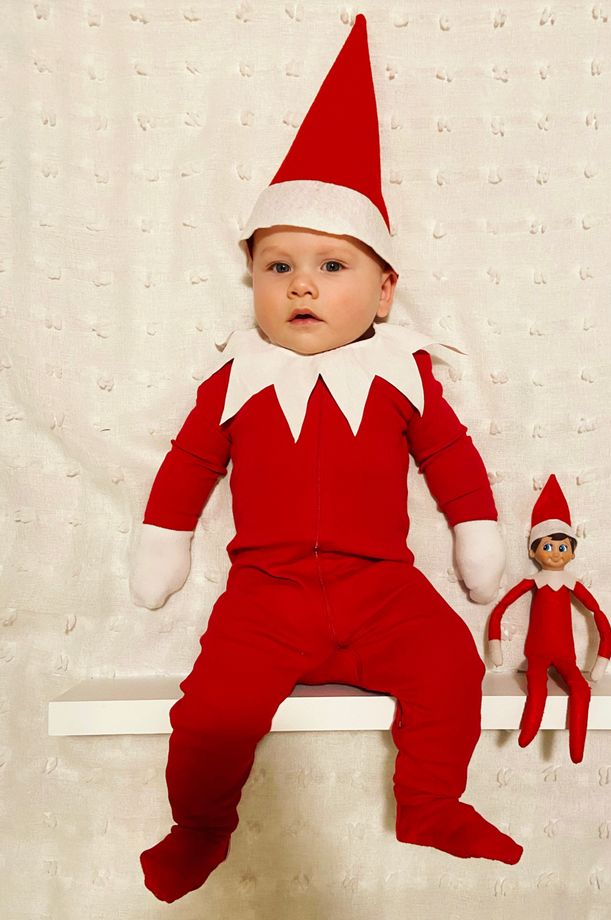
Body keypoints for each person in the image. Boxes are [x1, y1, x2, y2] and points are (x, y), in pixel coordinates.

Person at [129, 15, 523, 904]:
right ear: (254, 284)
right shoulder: (236, 380)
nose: (302, 284)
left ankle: (430, 802)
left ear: (385, 289)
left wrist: (475, 533)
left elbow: (451, 460)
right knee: (212, 713)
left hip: (382, 587)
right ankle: (201, 827)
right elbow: (189, 467)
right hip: (265, 594)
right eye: (278, 266)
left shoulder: (403, 376)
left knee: (451, 669)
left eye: (332, 264)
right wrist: (163, 540)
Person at [487, 474, 611, 764]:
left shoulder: (572, 584)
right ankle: (526, 735)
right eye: (547, 547)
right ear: (533, 551)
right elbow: (500, 608)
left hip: (567, 657)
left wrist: (601, 660)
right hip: (537, 654)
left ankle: (577, 750)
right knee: (536, 687)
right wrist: (496, 645)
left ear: (571, 553)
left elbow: (599, 617)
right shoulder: (533, 582)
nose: (555, 554)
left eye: (562, 548)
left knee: (581, 689)